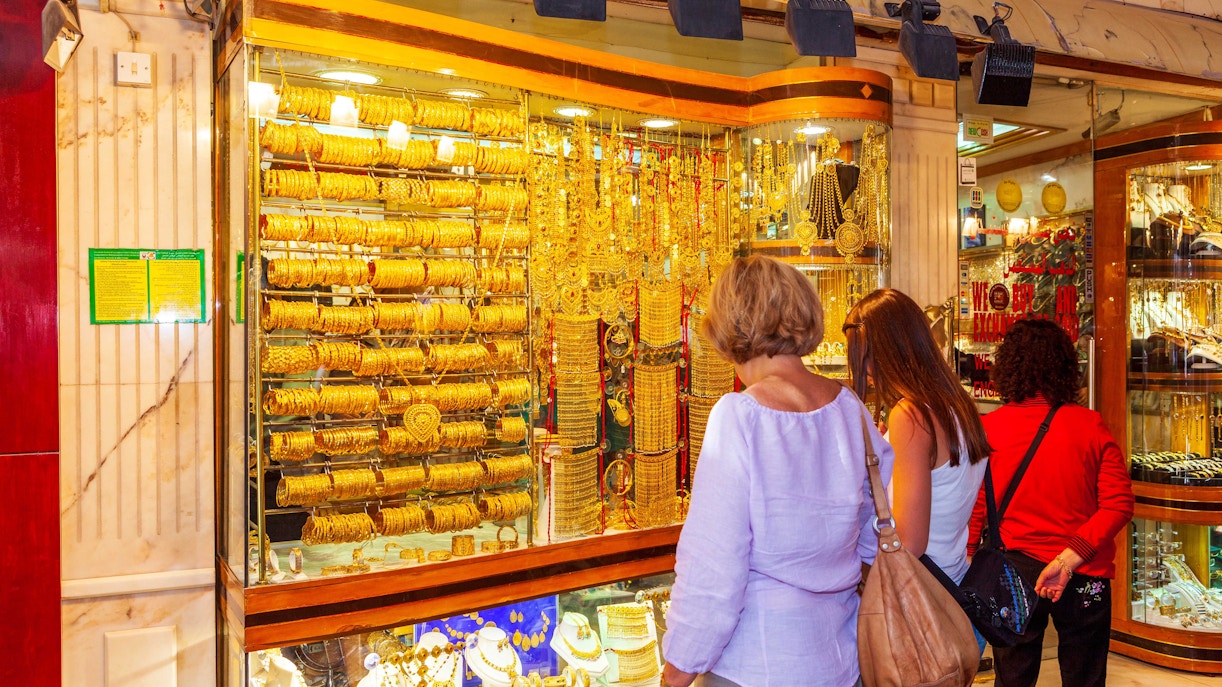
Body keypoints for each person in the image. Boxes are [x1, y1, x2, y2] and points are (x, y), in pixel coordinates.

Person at [661, 256, 894, 687]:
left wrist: (678, 669)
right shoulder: (850, 409)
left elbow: (713, 566)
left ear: (731, 326)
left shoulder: (740, 416)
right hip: (841, 661)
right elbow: (874, 535)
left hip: (757, 664)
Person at [967, 318, 1133, 687]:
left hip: (1013, 570)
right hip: (1083, 568)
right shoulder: (1090, 425)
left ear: (1007, 366)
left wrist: (968, 556)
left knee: (1012, 676)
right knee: (1085, 676)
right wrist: (1069, 558)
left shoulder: (988, 428)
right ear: (1065, 366)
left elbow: (977, 505)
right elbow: (1119, 503)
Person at [843, 289, 991, 590]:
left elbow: (909, 542)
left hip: (919, 594)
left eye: (861, 355)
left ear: (883, 351)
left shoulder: (911, 415)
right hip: (953, 582)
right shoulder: (959, 405)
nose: (863, 370)